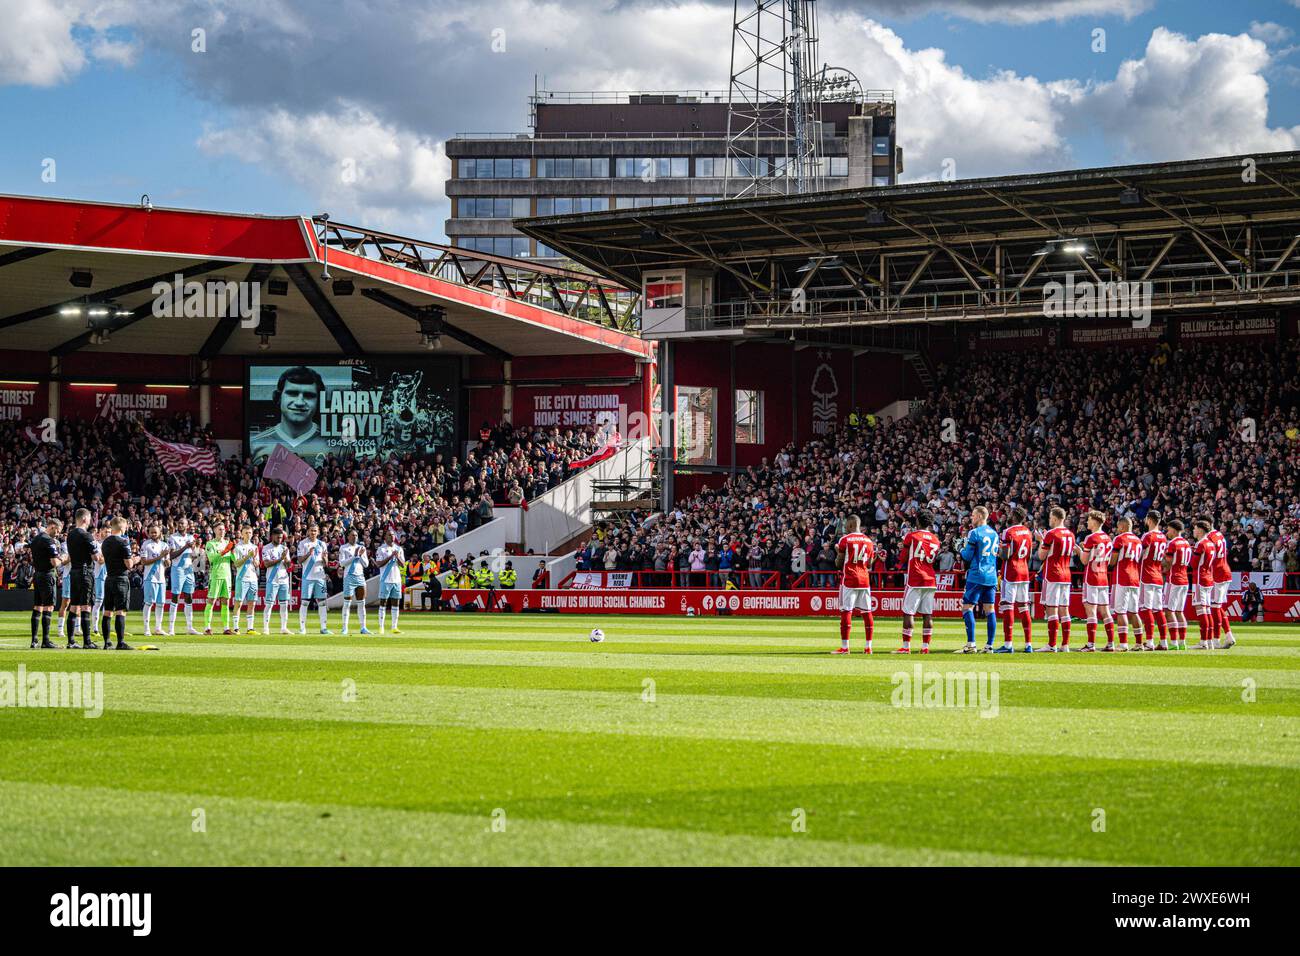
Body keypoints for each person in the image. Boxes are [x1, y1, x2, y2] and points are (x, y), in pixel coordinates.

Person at [895, 511, 939, 654]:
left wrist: (901, 552)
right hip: (930, 579)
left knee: (909, 612)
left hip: (915, 577)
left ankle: (906, 647)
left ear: (918, 521)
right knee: (927, 614)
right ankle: (925, 647)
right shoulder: (935, 539)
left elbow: (903, 558)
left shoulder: (912, 536)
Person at [958, 505, 999, 653]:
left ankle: (971, 645)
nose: (972, 518)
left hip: (977, 574)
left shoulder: (974, 533)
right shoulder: (995, 533)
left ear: (981, 516)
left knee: (967, 607)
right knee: (990, 609)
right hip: (992, 575)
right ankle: (989, 646)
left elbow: (967, 556)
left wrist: (960, 549)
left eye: (974, 515)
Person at [832, 515, 875, 655]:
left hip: (849, 579)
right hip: (864, 579)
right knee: (867, 611)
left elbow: (838, 564)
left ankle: (845, 647)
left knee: (846, 611)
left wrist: (838, 551)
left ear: (850, 525)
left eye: (846, 525)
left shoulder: (844, 540)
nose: (844, 528)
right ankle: (868, 647)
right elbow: (869, 564)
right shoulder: (869, 541)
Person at [1075, 510, 1117, 652]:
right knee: (1105, 611)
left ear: (1094, 521)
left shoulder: (1090, 538)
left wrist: (1079, 550)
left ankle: (1091, 644)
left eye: (1089, 520)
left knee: (1091, 611)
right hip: (1103, 578)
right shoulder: (1108, 539)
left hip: (1091, 577)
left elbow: (1084, 560)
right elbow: (1110, 561)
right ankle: (1111, 643)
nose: (1087, 522)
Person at [1037, 506, 1076, 652]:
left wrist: (1041, 540)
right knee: (1064, 610)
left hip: (1053, 574)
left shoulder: (1051, 534)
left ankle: (1052, 644)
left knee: (1052, 610)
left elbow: (1041, 556)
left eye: (1050, 518)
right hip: (1066, 574)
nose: (1049, 520)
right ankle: (1065, 645)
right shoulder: (1071, 534)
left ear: (1054, 518)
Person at [997, 507, 1035, 651]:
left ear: (1013, 516)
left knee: (1008, 606)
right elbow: (1029, 555)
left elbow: (1005, 555)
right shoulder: (1027, 531)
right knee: (1024, 607)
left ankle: (1008, 644)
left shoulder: (1008, 532)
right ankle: (1028, 644)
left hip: (1011, 572)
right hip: (1024, 572)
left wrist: (998, 550)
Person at [99, 516, 136, 650]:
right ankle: (120, 643)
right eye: (126, 526)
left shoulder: (105, 542)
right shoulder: (123, 541)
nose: (126, 529)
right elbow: (129, 564)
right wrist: (135, 560)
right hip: (121, 578)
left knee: (108, 611)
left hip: (109, 578)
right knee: (121, 611)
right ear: (121, 527)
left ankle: (107, 642)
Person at [66, 508, 98, 649]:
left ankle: (71, 641)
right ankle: (87, 641)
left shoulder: (70, 535)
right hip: (85, 572)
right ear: (85, 519)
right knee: (86, 606)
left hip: (74, 571)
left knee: (73, 606)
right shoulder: (87, 536)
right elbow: (96, 557)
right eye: (90, 518)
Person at [1109, 516, 1142, 650]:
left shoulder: (1119, 539)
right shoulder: (1138, 540)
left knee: (1121, 611)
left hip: (1122, 577)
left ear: (1122, 526)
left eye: (1118, 527)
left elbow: (1113, 561)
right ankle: (1139, 643)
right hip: (1135, 577)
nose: (1117, 530)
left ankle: (1123, 643)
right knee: (1134, 611)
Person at [28, 518, 62, 649]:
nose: (58, 534)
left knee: (37, 606)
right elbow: (54, 562)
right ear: (52, 526)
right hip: (48, 575)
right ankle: (46, 640)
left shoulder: (36, 538)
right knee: (48, 607)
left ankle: (34, 640)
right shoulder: (49, 540)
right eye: (58, 531)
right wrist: (62, 560)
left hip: (37, 575)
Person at [1138, 511, 1170, 650]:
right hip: (1158, 576)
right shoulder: (1163, 537)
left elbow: (1139, 554)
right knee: (1158, 610)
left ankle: (1149, 641)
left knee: (1146, 608)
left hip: (1146, 575)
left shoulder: (1148, 536)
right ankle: (1163, 641)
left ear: (1149, 520)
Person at [1162, 519, 1192, 649]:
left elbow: (1168, 563)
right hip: (1184, 579)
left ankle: (1173, 642)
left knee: (1169, 610)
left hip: (1173, 579)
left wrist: (1160, 563)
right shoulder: (1186, 543)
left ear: (1173, 530)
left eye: (1168, 530)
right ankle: (1182, 642)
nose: (1167, 532)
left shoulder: (1172, 544)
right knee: (1179, 611)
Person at [167, 517, 199, 636]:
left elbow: (194, 556)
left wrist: (194, 549)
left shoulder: (191, 537)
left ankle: (190, 627)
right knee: (176, 597)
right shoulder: (172, 537)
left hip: (189, 569)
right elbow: (171, 555)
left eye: (183, 523)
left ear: (187, 526)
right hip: (178, 569)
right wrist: (186, 546)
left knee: (189, 597)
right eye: (179, 523)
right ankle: (171, 628)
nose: (180, 525)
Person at [297, 523, 330, 635]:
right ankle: (302, 628)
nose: (313, 533)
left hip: (320, 577)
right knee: (305, 602)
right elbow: (299, 560)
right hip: (308, 577)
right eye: (311, 530)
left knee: (322, 603)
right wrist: (308, 554)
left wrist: (325, 558)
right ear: (308, 531)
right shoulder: (303, 543)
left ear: (318, 532)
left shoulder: (322, 544)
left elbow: (326, 563)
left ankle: (323, 628)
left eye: (315, 531)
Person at [203, 521, 235, 635]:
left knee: (225, 601)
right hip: (216, 576)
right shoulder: (210, 544)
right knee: (211, 600)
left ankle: (226, 628)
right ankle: (207, 628)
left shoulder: (228, 543)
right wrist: (225, 551)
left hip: (227, 576)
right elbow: (211, 559)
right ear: (214, 530)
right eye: (219, 529)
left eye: (223, 529)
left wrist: (233, 551)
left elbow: (234, 560)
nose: (222, 531)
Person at [338, 529, 371, 634]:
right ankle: (344, 628)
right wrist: (355, 556)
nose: (355, 537)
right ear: (348, 536)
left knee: (361, 603)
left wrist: (360, 556)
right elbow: (342, 563)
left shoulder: (362, 548)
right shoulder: (343, 548)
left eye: (356, 535)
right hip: (349, 577)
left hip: (360, 577)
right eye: (352, 535)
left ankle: (363, 627)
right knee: (347, 603)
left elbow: (366, 564)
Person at [260, 527, 293, 635]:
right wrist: (280, 559)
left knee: (284, 604)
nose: (279, 539)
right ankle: (266, 628)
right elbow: (266, 564)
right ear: (272, 536)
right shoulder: (266, 548)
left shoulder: (284, 548)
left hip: (284, 579)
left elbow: (288, 566)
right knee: (269, 604)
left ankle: (284, 628)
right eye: (278, 537)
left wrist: (286, 559)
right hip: (272, 579)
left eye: (281, 537)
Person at [139, 522, 168, 638]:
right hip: (150, 578)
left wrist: (167, 560)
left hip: (161, 578)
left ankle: (158, 628)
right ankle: (146, 629)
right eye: (151, 532)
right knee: (149, 603)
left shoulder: (164, 545)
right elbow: (143, 562)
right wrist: (160, 557)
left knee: (161, 604)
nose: (153, 534)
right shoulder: (146, 544)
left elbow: (167, 562)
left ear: (160, 533)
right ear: (148, 533)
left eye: (155, 532)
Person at [374, 529, 405, 634]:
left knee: (396, 603)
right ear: (385, 537)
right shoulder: (381, 549)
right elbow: (378, 564)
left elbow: (403, 564)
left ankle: (394, 627)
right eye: (389, 535)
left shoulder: (399, 548)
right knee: (383, 603)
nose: (391, 537)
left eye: (393, 535)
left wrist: (397, 556)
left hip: (396, 579)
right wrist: (391, 556)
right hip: (385, 579)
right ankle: (381, 627)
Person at [231, 526, 260, 634]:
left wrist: (254, 560)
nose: (248, 534)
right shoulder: (237, 547)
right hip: (242, 578)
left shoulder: (255, 547)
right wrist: (248, 556)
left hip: (253, 578)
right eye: (246, 532)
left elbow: (257, 564)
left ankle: (250, 628)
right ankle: (235, 628)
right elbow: (236, 563)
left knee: (252, 603)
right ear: (242, 534)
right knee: (238, 603)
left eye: (250, 532)